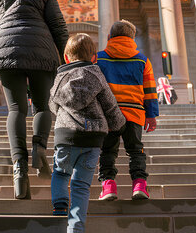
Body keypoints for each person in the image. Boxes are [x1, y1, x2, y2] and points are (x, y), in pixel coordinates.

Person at [0, 0, 69, 200]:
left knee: (16, 109)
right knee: (42, 106)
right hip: (41, 52)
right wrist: (65, 59)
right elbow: (58, 26)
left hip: (7, 53)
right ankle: (39, 148)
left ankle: (19, 167)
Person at [49, 33, 126, 232]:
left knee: (60, 172)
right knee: (81, 185)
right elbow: (110, 105)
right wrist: (118, 124)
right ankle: (76, 228)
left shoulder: (59, 78)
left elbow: (52, 106)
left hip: (65, 135)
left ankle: (59, 203)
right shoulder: (97, 74)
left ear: (66, 57)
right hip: (92, 138)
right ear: (93, 57)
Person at [95, 20, 159, 200]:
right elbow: (150, 91)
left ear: (109, 37)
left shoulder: (99, 58)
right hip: (135, 113)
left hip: (109, 114)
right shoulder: (142, 60)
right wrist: (151, 115)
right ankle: (139, 185)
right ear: (133, 39)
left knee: (107, 151)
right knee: (135, 150)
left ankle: (108, 187)